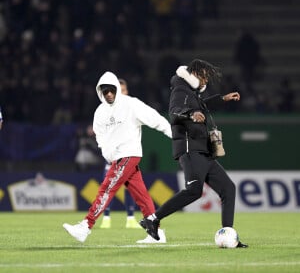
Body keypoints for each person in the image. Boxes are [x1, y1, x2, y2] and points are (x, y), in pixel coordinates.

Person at [140, 59, 248, 248]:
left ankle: (228, 235)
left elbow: (202, 105)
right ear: (194, 74)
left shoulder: (191, 93)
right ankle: (153, 219)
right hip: (190, 150)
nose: (206, 80)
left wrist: (222, 99)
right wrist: (190, 115)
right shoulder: (181, 89)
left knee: (228, 188)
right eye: (204, 76)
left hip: (202, 151)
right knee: (194, 191)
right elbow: (174, 113)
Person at [63, 71, 172, 244]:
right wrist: (108, 154)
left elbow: (155, 119)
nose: (109, 94)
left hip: (129, 154)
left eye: (111, 90)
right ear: (100, 92)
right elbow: (100, 137)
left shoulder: (131, 104)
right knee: (141, 194)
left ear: (116, 89)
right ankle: (156, 233)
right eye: (105, 91)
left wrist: (174, 134)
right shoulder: (99, 112)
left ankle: (86, 226)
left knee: (106, 188)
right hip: (117, 158)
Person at [100, 78, 141, 229]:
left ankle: (130, 218)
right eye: (120, 91)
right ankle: (106, 218)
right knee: (108, 185)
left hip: (128, 153)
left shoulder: (131, 110)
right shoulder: (106, 110)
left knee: (129, 185)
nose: (122, 94)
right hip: (113, 155)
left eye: (124, 91)